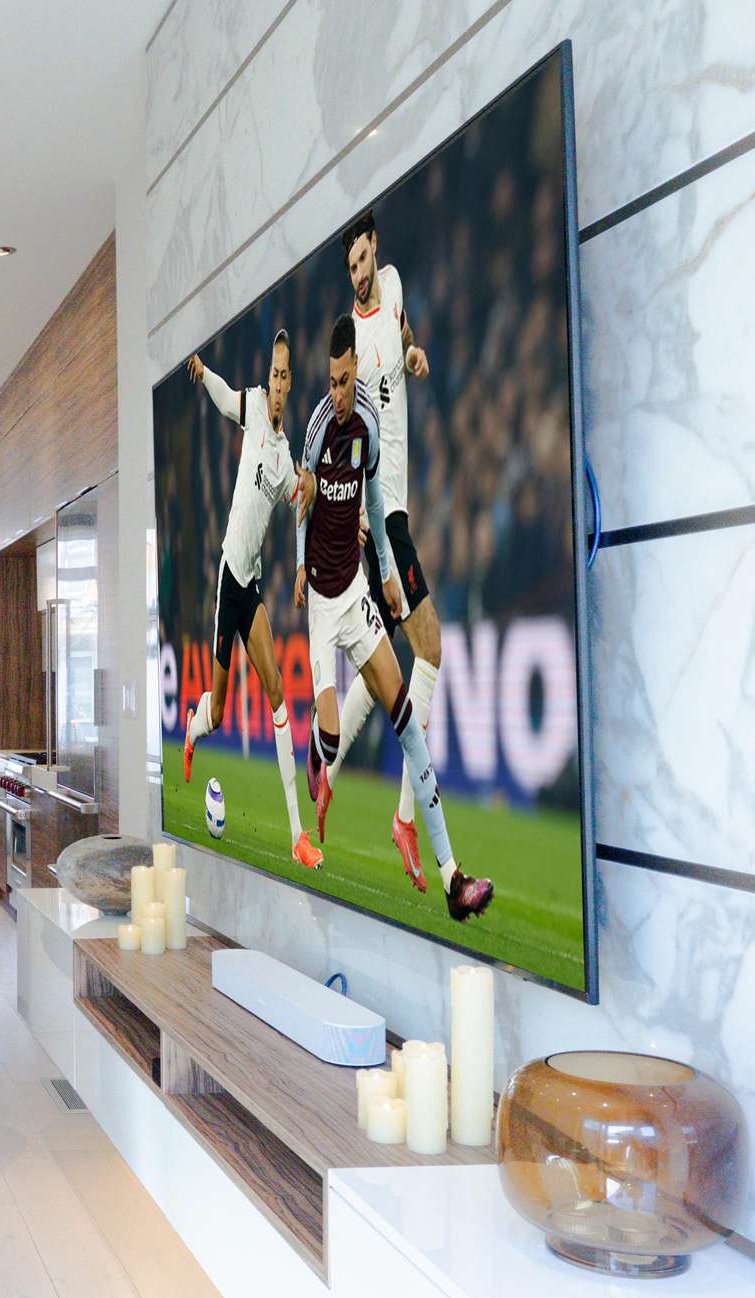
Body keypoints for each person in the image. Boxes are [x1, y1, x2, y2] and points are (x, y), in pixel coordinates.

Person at [297, 313, 493, 922]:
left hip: (357, 593)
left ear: (355, 369)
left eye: (343, 380)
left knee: (407, 719)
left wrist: (384, 568)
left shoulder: (368, 424)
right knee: (332, 739)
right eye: (330, 382)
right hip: (322, 604)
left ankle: (453, 877)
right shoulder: (318, 428)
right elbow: (303, 501)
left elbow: (377, 498)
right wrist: (299, 565)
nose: (336, 393)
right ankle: (317, 746)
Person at [318, 209, 448, 891]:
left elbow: (404, 333)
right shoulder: (353, 348)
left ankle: (327, 770)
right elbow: (346, 436)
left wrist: (415, 351)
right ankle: (405, 818)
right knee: (429, 650)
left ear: (377, 254)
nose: (360, 275)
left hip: (399, 504)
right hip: (384, 515)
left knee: (385, 670)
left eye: (364, 260)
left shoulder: (393, 286)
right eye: (351, 267)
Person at [180, 331, 321, 868]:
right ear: (269, 378)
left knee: (278, 695)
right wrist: (202, 373)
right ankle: (194, 727)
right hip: (229, 580)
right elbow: (223, 398)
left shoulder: (285, 457)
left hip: (253, 585)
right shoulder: (255, 408)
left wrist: (313, 489)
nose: (278, 384)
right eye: (274, 373)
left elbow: (300, 507)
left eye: (285, 376)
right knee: (217, 714)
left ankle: (297, 835)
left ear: (292, 384)